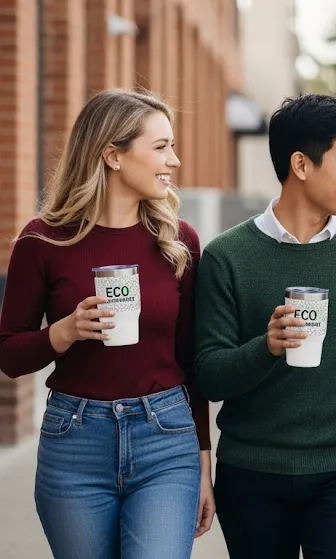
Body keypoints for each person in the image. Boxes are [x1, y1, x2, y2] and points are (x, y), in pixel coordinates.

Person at [192, 94, 336, 558]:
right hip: (250, 474)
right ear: (301, 164)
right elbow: (209, 375)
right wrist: (266, 347)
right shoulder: (226, 256)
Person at [0, 89, 214, 558]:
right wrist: (65, 331)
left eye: (172, 146)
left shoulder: (179, 242)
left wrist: (203, 461)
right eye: (160, 147)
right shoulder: (42, 241)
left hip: (166, 440)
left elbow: (190, 361)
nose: (174, 160)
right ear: (112, 154)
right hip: (74, 442)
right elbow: (9, 354)